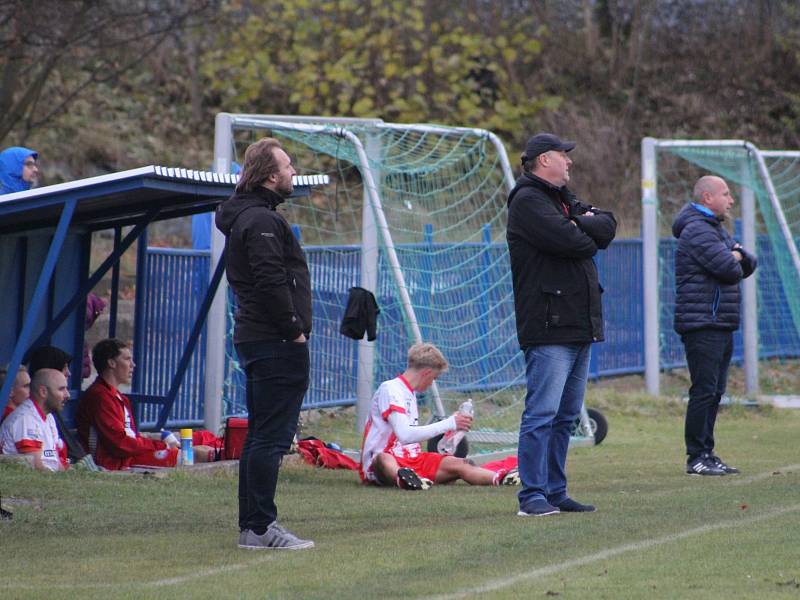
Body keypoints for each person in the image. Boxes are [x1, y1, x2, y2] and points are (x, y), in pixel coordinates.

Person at [506, 133, 617, 517]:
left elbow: (607, 226)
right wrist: (583, 229)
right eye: (562, 156)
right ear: (542, 160)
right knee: (542, 414)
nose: (569, 162)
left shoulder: (561, 198)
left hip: (578, 323)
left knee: (566, 416)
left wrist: (583, 225)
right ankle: (532, 496)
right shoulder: (528, 201)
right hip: (549, 324)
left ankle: (555, 491)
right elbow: (579, 242)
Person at [215, 137, 314, 550]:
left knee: (261, 435)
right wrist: (294, 329)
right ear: (272, 175)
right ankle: (259, 526)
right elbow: (271, 279)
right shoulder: (260, 222)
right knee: (270, 437)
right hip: (274, 341)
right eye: (288, 166)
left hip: (260, 338)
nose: (293, 172)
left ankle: (253, 526)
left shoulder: (254, 217)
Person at [673, 175, 757, 476]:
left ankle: (707, 453)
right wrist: (735, 255)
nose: (731, 199)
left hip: (720, 321)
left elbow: (749, 261)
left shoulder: (715, 229)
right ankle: (696, 456)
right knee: (704, 390)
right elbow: (728, 268)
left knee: (715, 391)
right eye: (725, 193)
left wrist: (736, 255)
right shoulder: (697, 230)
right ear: (707, 198)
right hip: (703, 322)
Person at [360, 342, 520, 490]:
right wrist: (449, 423)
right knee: (383, 458)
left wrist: (452, 431)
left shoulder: (410, 393)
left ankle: (502, 478)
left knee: (460, 463)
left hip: (414, 460)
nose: (432, 383)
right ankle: (404, 479)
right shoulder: (391, 389)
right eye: (434, 378)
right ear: (426, 372)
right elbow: (404, 435)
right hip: (384, 463)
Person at [75, 338, 183, 470]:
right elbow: (119, 444)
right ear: (111, 363)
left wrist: (157, 442)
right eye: (127, 359)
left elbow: (131, 437)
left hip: (129, 456)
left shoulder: (118, 397)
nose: (133, 365)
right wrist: (161, 445)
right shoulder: (100, 397)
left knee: (202, 445)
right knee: (194, 455)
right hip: (114, 463)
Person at [0, 369, 69, 471]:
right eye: (61, 389)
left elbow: (54, 460)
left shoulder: (49, 417)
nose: (67, 395)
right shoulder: (24, 419)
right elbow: (37, 468)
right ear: (43, 392)